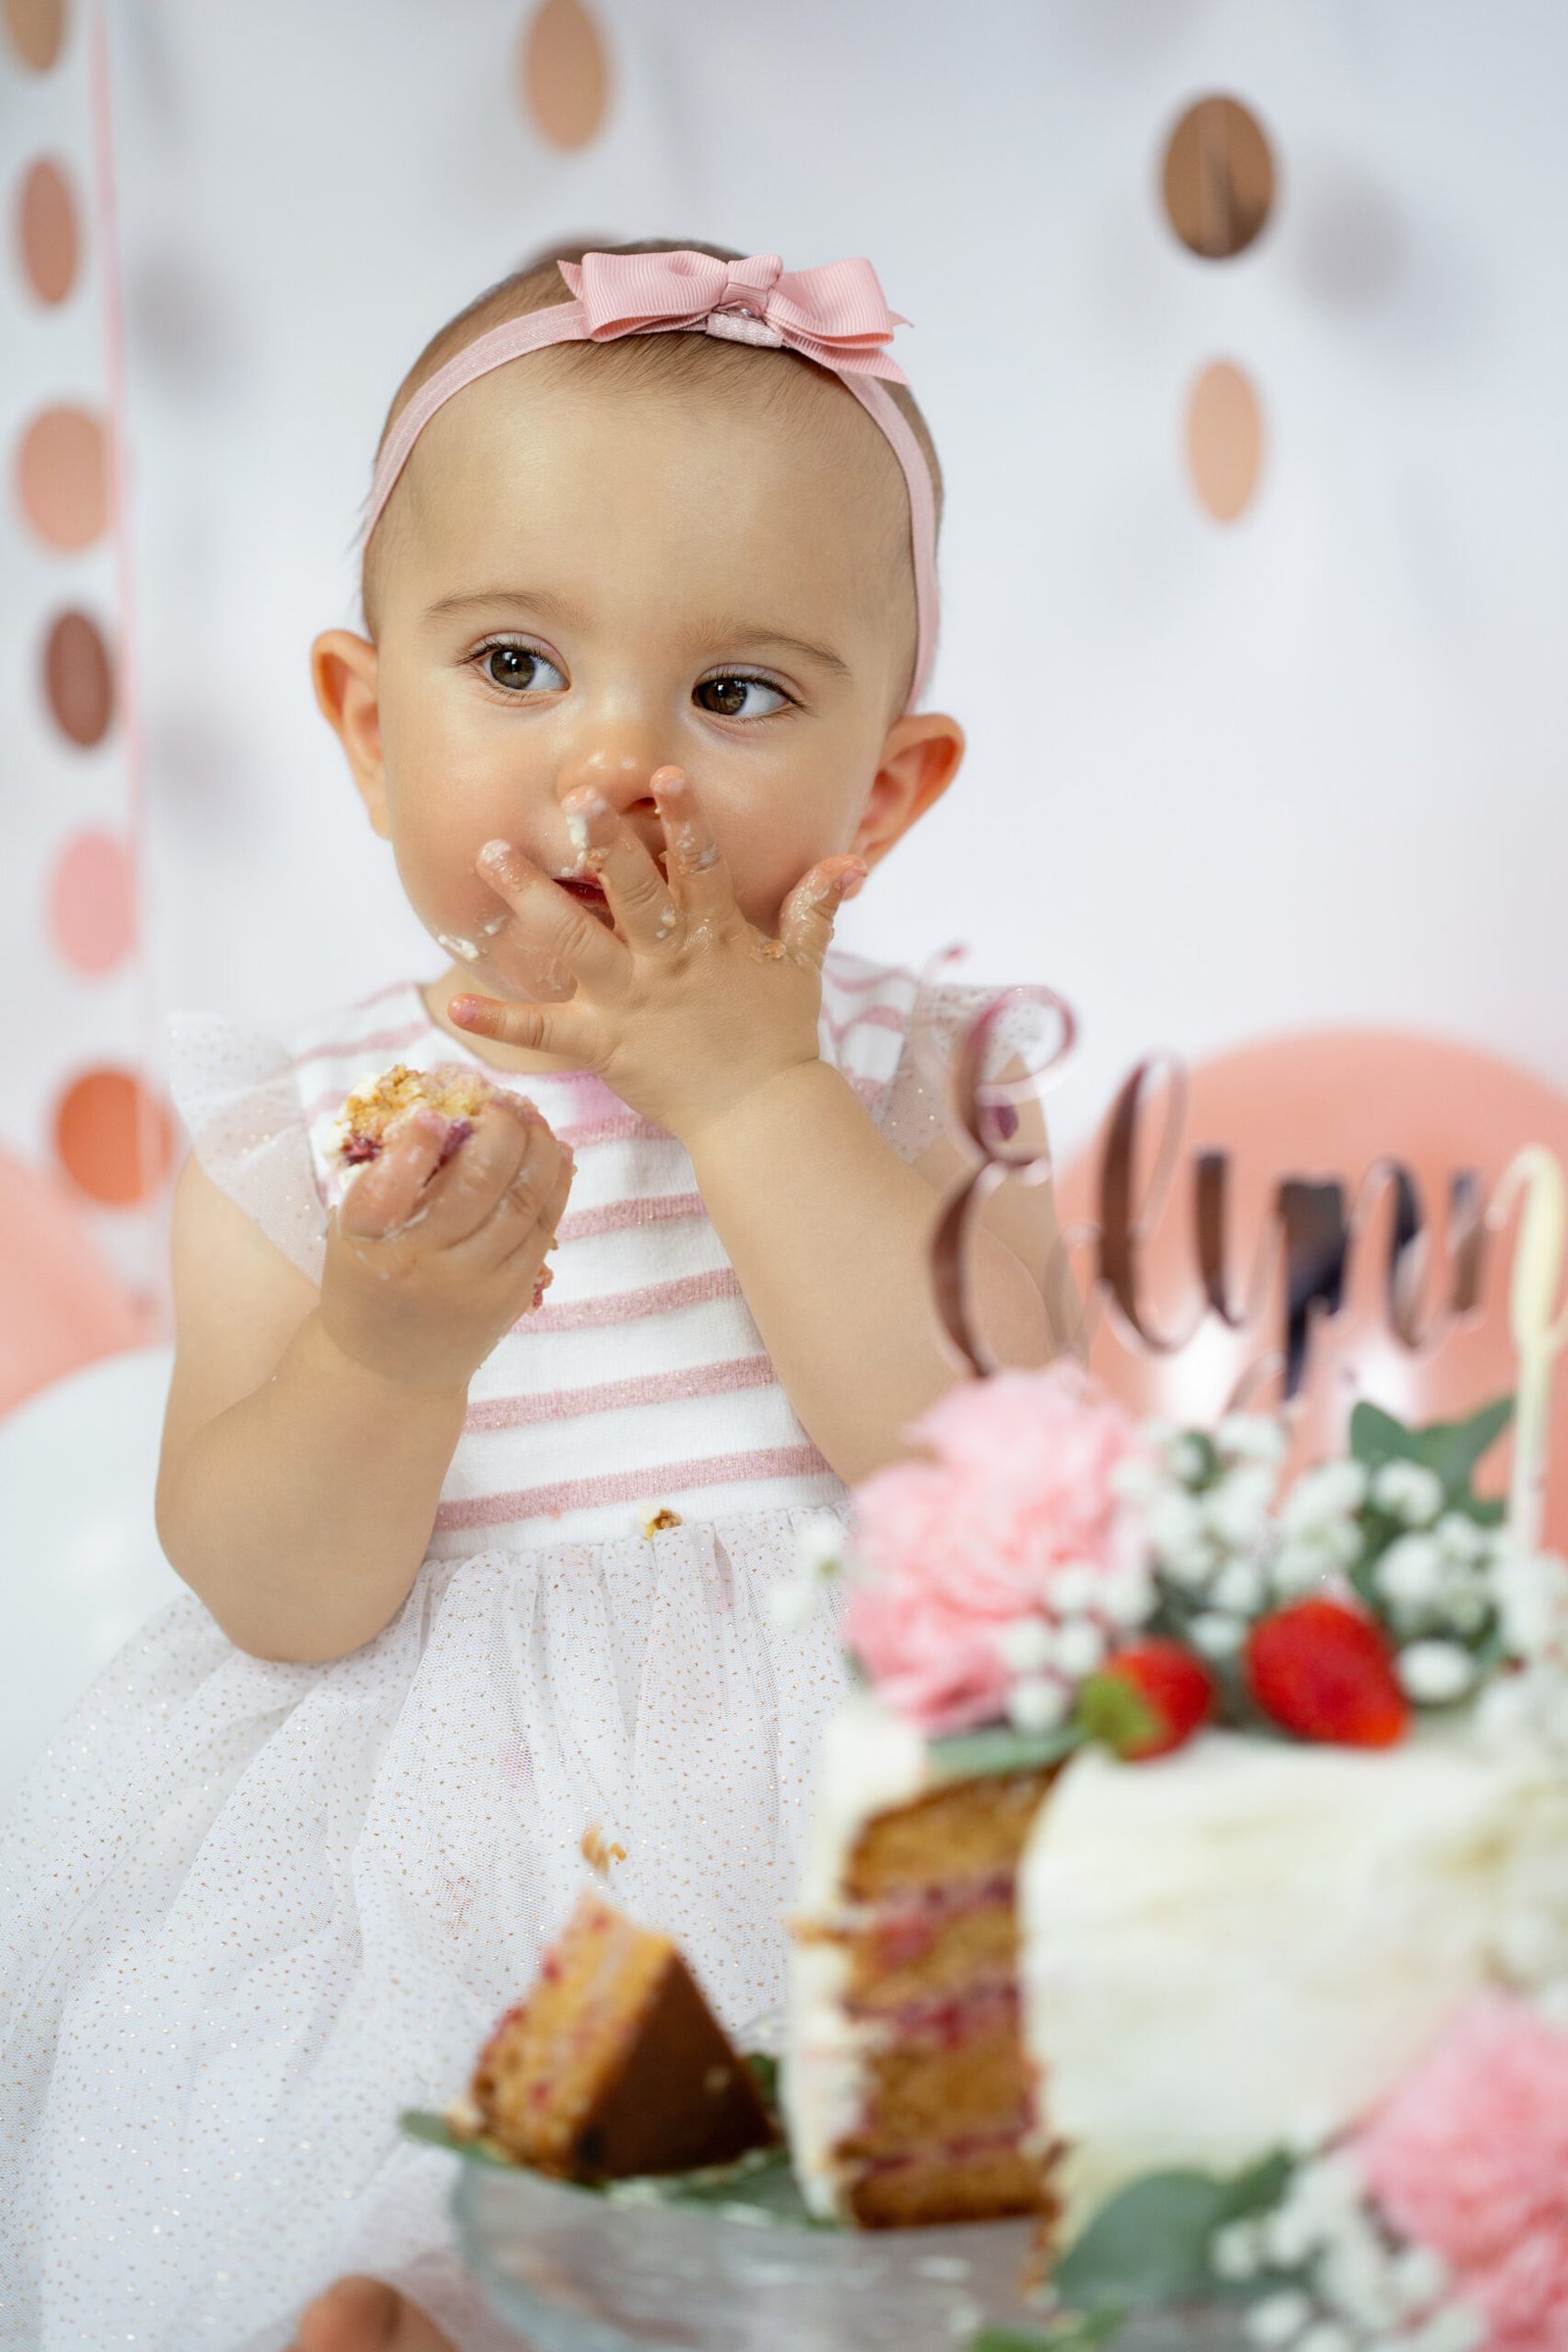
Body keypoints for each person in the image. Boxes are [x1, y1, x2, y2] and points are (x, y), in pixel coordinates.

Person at [0, 237, 1058, 2352]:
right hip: (458, 1844)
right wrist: (386, 1345)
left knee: (957, 2210)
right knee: (418, 2168)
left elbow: (995, 1480)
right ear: (365, 721)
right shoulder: (308, 1124)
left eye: (734, 693)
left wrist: (751, 1083)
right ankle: (443, 2307)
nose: (612, 769)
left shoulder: (915, 1073)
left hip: (852, 1818)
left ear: (883, 789)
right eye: (510, 667)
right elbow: (279, 1594)